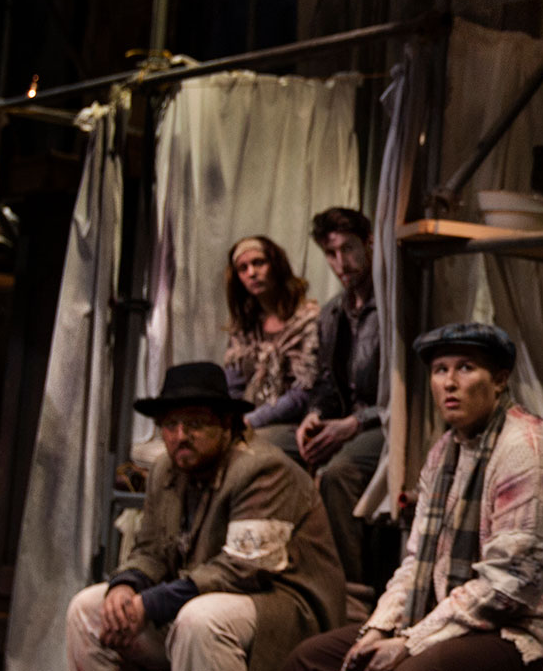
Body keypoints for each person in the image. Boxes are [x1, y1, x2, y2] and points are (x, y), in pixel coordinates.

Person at [283, 322, 543, 671]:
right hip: (446, 617)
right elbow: (416, 562)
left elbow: (509, 583)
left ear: (499, 380)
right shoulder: (444, 453)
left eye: (465, 367)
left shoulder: (526, 449)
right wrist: (377, 629)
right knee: (310, 659)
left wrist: (409, 642)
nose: (449, 383)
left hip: (529, 629)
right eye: (439, 370)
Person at [63, 362, 342, 671]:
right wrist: (125, 586)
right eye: (170, 425)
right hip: (201, 593)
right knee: (88, 609)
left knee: (199, 620)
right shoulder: (165, 469)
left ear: (226, 423)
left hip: (281, 606)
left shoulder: (261, 468)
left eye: (195, 424)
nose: (181, 436)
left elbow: (243, 570)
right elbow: (151, 551)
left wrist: (150, 603)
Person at [293, 208, 386, 587]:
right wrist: (313, 416)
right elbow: (326, 381)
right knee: (265, 449)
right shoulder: (333, 311)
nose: (341, 262)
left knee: (338, 474)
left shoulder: (391, 305)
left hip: (385, 420)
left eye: (348, 249)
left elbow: (404, 388)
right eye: (331, 254)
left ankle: (347, 590)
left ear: (368, 244)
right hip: (343, 419)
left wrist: (354, 424)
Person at [224, 235, 322, 454]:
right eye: (243, 268)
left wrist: (252, 420)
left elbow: (303, 392)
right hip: (247, 419)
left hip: (292, 422)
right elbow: (233, 387)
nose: (252, 273)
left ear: (275, 265)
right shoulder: (245, 328)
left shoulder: (307, 320)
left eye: (259, 263)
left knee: (246, 449)